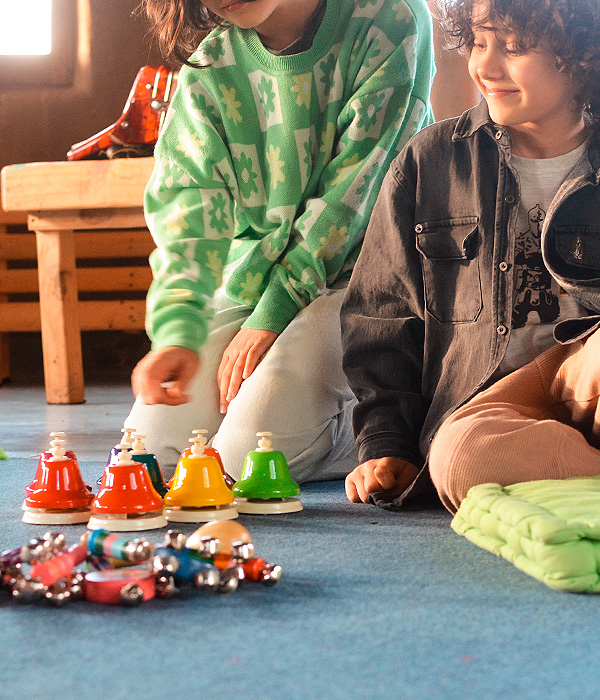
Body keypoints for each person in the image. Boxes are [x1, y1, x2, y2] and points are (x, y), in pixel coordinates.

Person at [125, 0, 435, 481]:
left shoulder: (390, 18)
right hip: (255, 279)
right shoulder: (209, 67)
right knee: (154, 458)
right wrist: (178, 331)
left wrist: (273, 315)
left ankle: (389, 433)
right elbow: (188, 213)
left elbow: (351, 196)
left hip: (366, 280)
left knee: (248, 463)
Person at [341, 0, 600, 512]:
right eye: (480, 42)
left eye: (514, 47)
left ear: (583, 54)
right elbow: (381, 319)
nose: (486, 66)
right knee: (457, 461)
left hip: (589, 368)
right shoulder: (429, 160)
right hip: (485, 406)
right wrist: (387, 442)